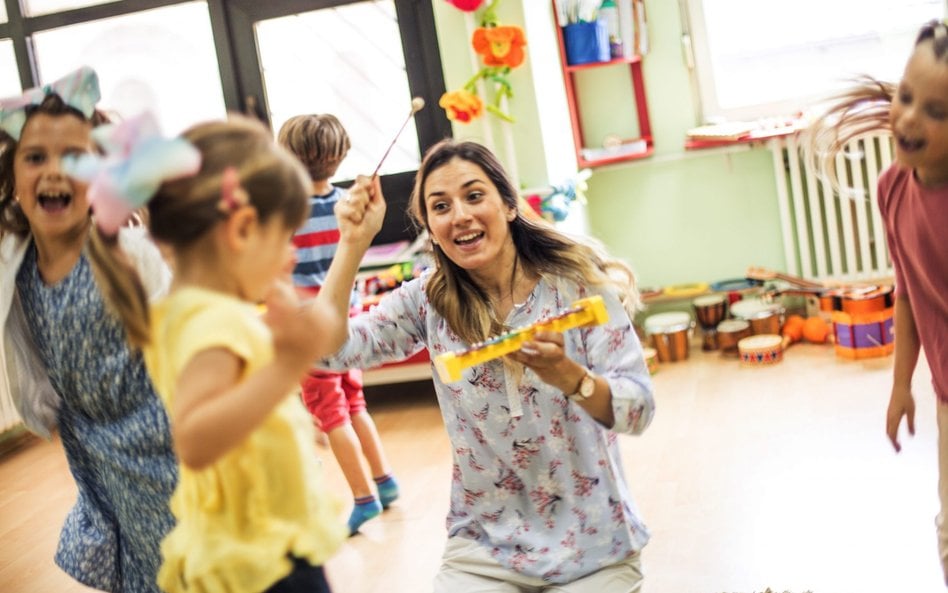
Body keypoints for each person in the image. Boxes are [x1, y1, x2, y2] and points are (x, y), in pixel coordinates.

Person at [318, 139, 655, 591]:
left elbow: (638, 410)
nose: (459, 215)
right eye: (441, 206)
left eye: (474, 196)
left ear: (509, 205)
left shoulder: (577, 284)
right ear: (432, 228)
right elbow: (328, 351)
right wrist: (352, 244)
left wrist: (572, 379)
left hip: (595, 543)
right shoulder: (426, 301)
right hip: (483, 548)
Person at [75, 112, 385, 593]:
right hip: (256, 558)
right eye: (285, 240)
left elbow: (307, 342)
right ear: (241, 230)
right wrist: (285, 366)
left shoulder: (206, 311)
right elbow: (195, 438)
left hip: (261, 538)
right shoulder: (208, 322)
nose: (289, 257)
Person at [0, 67, 177, 592]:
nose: (55, 172)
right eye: (36, 157)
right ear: (12, 174)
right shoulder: (16, 258)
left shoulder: (124, 254)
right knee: (133, 560)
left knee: (179, 563)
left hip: (162, 439)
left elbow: (180, 329)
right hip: (93, 444)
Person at [805, 19, 948, 585]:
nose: (910, 118)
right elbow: (909, 290)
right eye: (907, 97)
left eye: (938, 111)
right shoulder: (893, 186)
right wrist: (899, 385)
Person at [277, 113, 399, 535]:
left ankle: (364, 500)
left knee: (330, 415)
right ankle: (385, 482)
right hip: (350, 323)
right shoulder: (349, 204)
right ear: (341, 156)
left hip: (311, 328)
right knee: (354, 402)